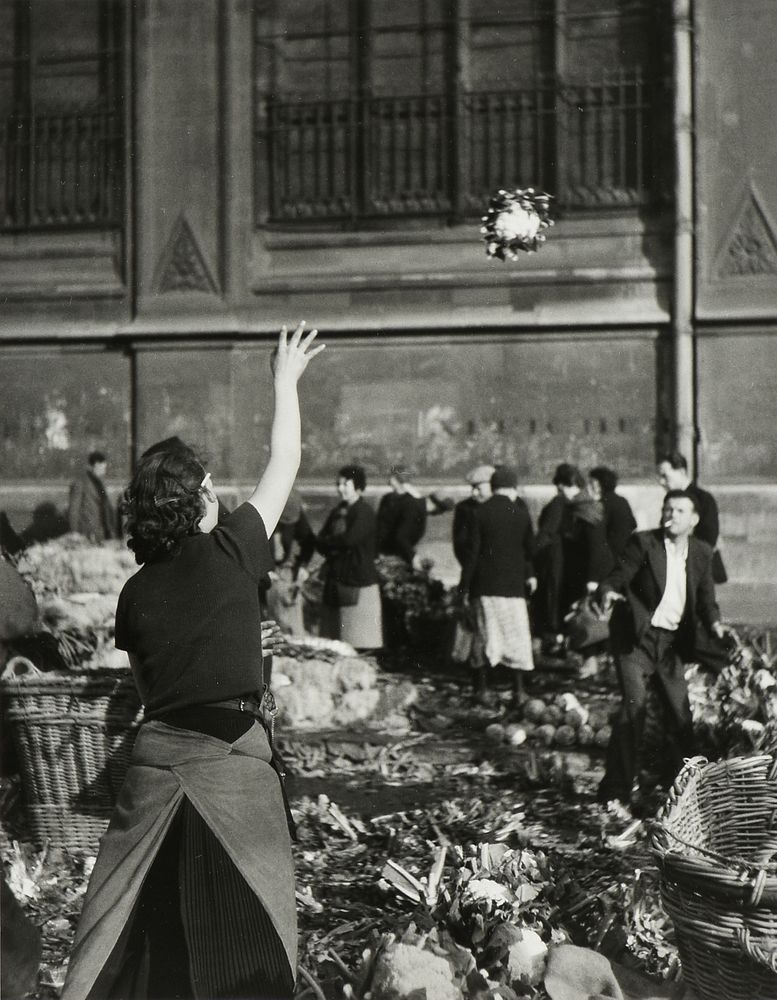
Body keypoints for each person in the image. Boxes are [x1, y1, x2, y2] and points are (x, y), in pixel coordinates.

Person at [60, 321, 325, 1000]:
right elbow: (284, 460)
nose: (219, 493)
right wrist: (283, 383)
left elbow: (149, 689)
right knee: (250, 939)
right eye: (209, 484)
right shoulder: (233, 548)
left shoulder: (134, 588)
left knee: (133, 935)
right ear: (196, 499)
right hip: (235, 766)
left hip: (155, 769)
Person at [595, 489, 729, 810]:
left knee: (680, 713)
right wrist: (609, 592)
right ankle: (615, 790)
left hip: (670, 646)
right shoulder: (644, 543)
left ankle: (678, 788)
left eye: (680, 511)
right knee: (634, 707)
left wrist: (716, 624)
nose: (671, 514)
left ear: (694, 520)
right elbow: (617, 576)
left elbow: (707, 600)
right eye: (668, 508)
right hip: (636, 641)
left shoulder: (700, 552)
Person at [459, 466, 536, 705]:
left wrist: (463, 588)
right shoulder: (522, 513)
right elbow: (529, 550)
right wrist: (528, 574)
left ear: (492, 487)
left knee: (485, 637)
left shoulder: (479, 513)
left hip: (485, 586)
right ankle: (519, 691)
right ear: (512, 488)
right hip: (514, 588)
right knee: (517, 637)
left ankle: (482, 690)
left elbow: (472, 554)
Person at [533, 463, 613, 655]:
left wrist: (592, 580)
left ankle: (592, 659)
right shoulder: (580, 506)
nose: (560, 493)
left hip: (592, 572)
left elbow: (596, 547)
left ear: (567, 485)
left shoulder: (583, 508)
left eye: (561, 488)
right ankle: (586, 657)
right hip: (582, 570)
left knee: (589, 616)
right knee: (583, 615)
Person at [317, 464, 383, 651]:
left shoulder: (364, 512)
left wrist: (328, 542)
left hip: (358, 580)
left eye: (346, 484)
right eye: (338, 484)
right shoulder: (337, 511)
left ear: (359, 487)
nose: (340, 488)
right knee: (335, 639)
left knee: (359, 640)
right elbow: (320, 541)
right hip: (337, 578)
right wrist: (329, 542)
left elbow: (349, 540)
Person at [657, 452, 726, 584]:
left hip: (698, 570)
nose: (661, 482)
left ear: (682, 472)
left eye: (665, 476)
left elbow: (709, 537)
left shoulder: (703, 498)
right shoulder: (670, 499)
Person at [265, 487, 316, 636]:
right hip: (268, 574)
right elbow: (252, 546)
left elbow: (309, 542)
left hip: (286, 572)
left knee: (292, 621)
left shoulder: (296, 513)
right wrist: (264, 570)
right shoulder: (264, 516)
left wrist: (303, 566)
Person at [376, 465, 427, 566]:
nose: (389, 478)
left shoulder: (407, 502)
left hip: (390, 547)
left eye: (391, 476)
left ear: (395, 479)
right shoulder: (387, 498)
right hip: (386, 546)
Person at [452, 464, 495, 569]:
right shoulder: (464, 509)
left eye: (478, 488)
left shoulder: (508, 507)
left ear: (493, 486)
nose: (474, 493)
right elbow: (459, 543)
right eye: (472, 488)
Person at [588, 466, 637, 559]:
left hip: (610, 556)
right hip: (625, 552)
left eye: (592, 482)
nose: (590, 486)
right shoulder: (622, 501)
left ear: (599, 484)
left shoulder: (601, 504)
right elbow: (633, 524)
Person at [68, 450, 116, 542]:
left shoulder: (99, 482)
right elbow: (74, 508)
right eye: (103, 468)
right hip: (86, 532)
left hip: (100, 532)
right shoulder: (80, 482)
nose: (104, 471)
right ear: (96, 465)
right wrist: (74, 531)